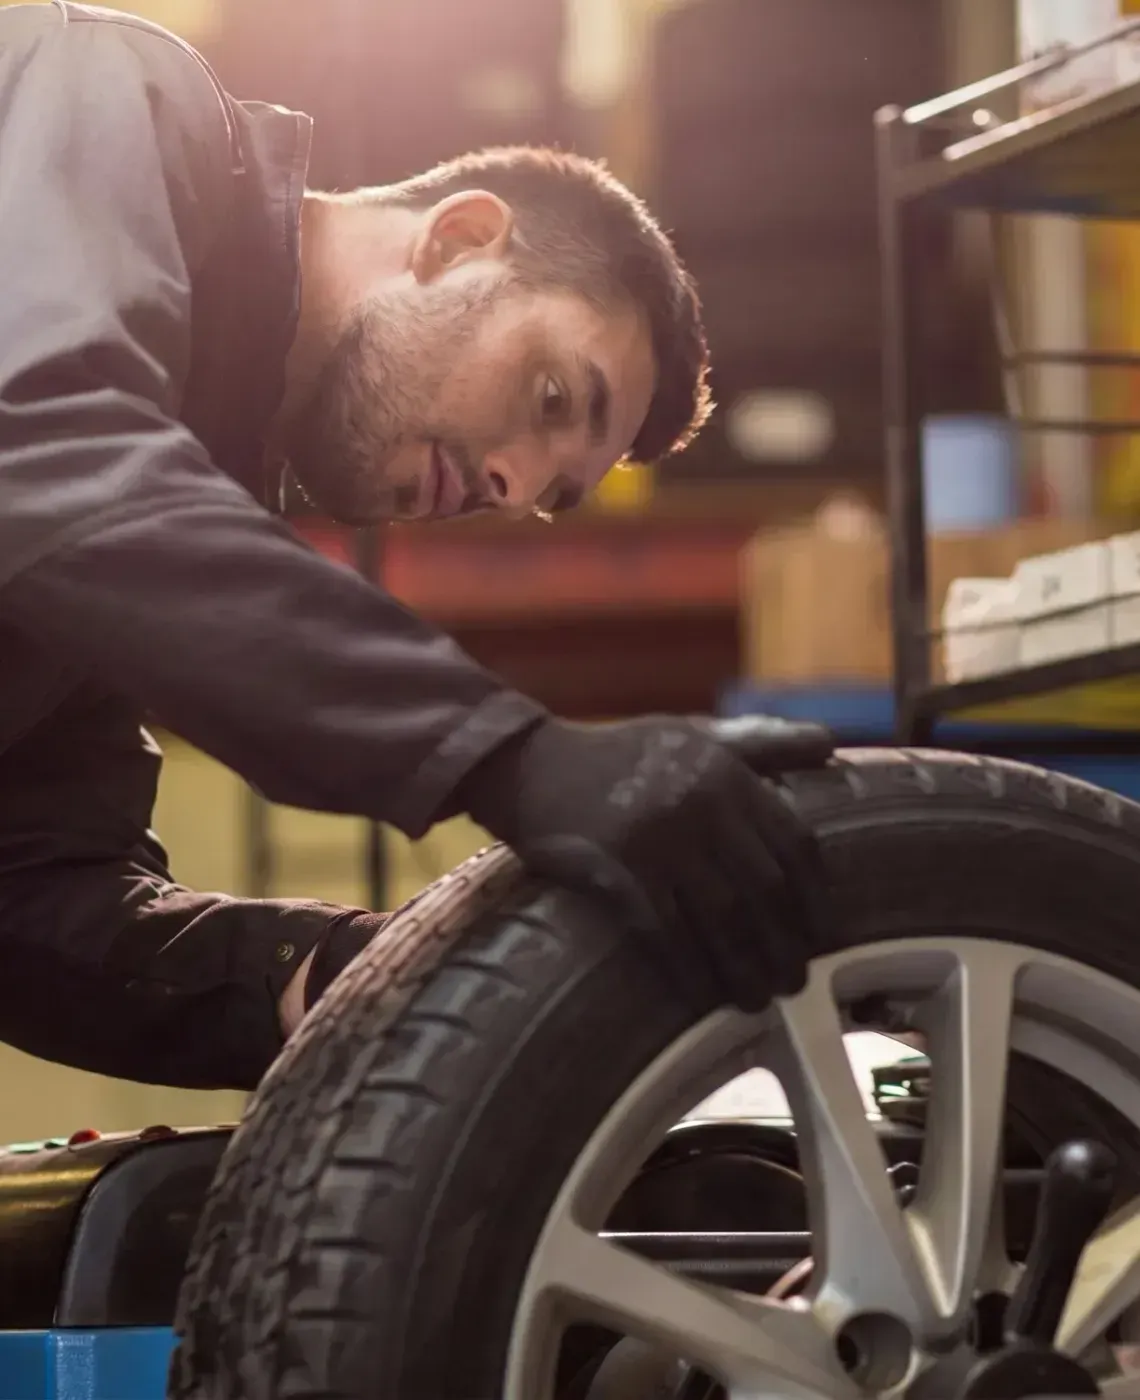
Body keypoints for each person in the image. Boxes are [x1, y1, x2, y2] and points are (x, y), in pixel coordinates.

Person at [0, 0, 834, 1093]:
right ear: (457, 237)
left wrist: (362, 970)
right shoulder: (112, 94)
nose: (513, 483)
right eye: (548, 396)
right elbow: (42, 434)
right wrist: (510, 754)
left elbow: (33, 896)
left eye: (553, 497)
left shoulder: (144, 522)